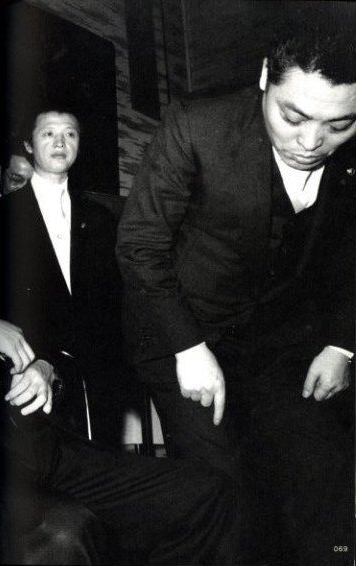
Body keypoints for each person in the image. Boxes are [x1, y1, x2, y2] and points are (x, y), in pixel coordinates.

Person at [0, 133, 239, 565]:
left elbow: (57, 336)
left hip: (46, 440)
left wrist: (45, 367)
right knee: (78, 532)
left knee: (206, 493)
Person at [116, 16, 355, 565]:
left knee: (324, 470)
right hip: (182, 331)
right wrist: (188, 346)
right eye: (292, 116)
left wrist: (342, 345)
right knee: (225, 490)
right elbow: (139, 245)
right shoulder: (196, 125)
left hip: (279, 342)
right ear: (266, 76)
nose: (311, 143)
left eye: (340, 125)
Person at [0, 107, 127, 443]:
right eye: (48, 133)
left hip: (94, 379)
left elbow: (110, 305)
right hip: (26, 377)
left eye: (70, 134)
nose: (60, 142)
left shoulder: (101, 220)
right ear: (29, 145)